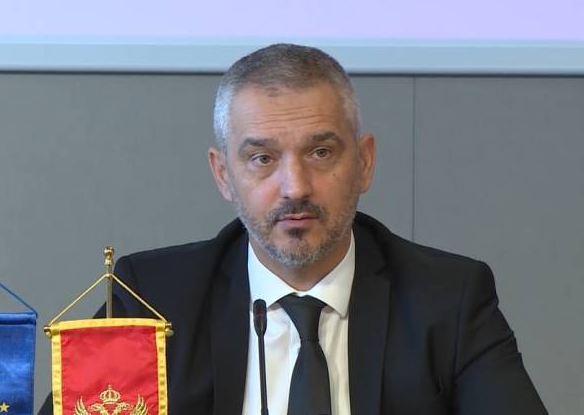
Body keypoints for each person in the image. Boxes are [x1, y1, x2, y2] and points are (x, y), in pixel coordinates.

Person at [40, 43, 547, 415]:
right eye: (262, 158)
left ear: (364, 163)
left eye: (320, 152)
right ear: (223, 174)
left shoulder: (448, 299)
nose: (295, 187)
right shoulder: (151, 300)